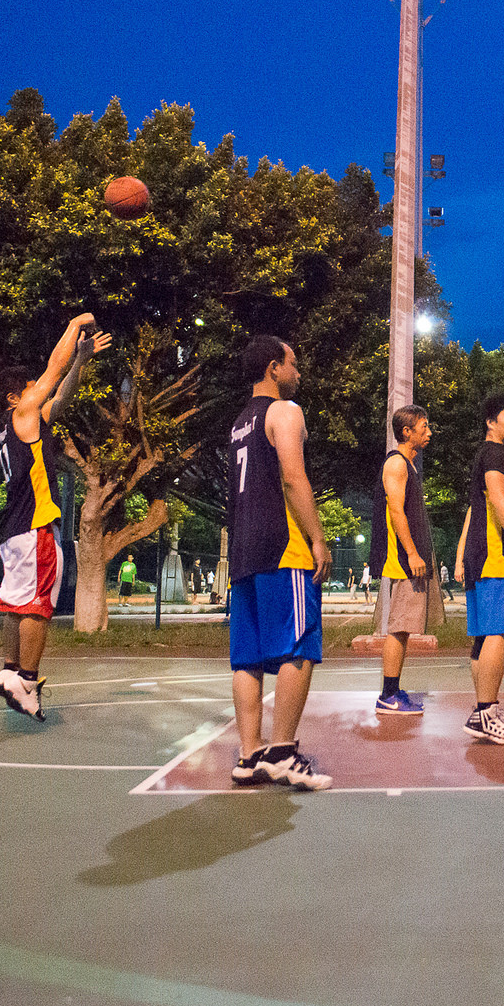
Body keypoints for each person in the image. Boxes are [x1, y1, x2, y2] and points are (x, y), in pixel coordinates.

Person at [223, 335, 334, 790]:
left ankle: (249, 755)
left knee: (246, 658)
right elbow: (292, 476)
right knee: (299, 644)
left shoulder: (236, 424)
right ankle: (284, 752)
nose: (299, 373)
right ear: (274, 368)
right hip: (282, 546)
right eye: (294, 364)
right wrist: (318, 537)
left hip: (243, 551)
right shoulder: (284, 412)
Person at [0, 313, 110, 721]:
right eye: (29, 392)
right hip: (36, 525)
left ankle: (9, 672)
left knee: (16, 604)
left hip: (13, 529)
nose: (36, 396)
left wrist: (81, 360)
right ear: (14, 399)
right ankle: (27, 680)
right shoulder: (23, 413)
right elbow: (51, 375)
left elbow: (62, 396)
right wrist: (75, 325)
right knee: (37, 607)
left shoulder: (13, 428)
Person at [453, 393, 504, 744]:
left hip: (478, 553)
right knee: (498, 632)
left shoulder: (485, 454)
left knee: (483, 637)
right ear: (491, 422)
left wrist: (460, 556)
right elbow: (498, 496)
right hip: (494, 555)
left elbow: (476, 507)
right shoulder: (496, 452)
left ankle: (482, 711)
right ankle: (486, 712)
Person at [372, 404, 438, 715]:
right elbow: (396, 512)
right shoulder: (396, 464)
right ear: (406, 432)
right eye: (423, 426)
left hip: (409, 556)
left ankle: (393, 690)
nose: (429, 431)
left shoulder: (408, 465)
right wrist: (411, 552)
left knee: (404, 627)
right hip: (402, 559)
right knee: (399, 627)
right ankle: (388, 694)